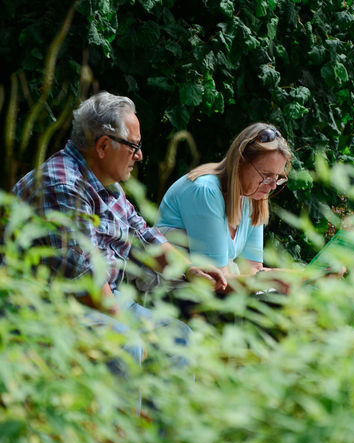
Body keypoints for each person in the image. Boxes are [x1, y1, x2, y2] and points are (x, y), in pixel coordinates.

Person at [12, 91, 227, 322]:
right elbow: (85, 279)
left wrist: (189, 270)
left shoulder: (106, 184)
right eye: (134, 146)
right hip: (50, 307)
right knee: (132, 347)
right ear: (103, 146)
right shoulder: (63, 186)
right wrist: (133, 335)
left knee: (180, 337)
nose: (140, 156)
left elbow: (143, 237)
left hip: (104, 297)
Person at [156, 122, 293, 293]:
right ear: (241, 161)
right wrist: (270, 279)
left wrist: (299, 277)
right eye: (266, 176)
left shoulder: (253, 196)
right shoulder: (205, 191)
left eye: (277, 178)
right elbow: (217, 281)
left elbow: (251, 269)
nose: (272, 186)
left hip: (200, 292)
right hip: (169, 291)